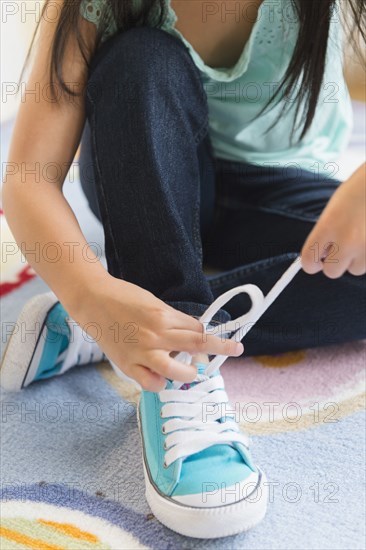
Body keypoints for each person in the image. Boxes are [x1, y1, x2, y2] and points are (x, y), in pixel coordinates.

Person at [2, 0, 365, 539]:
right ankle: (176, 367)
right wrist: (88, 289)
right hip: (144, 168)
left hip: (279, 181)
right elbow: (28, 179)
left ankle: (133, 326)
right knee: (142, 56)